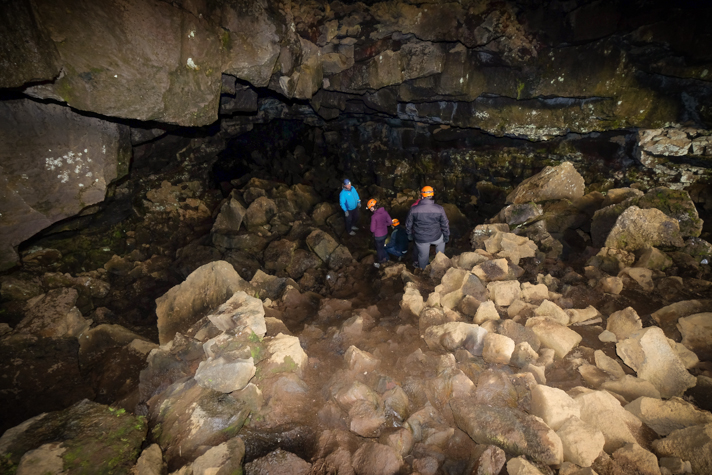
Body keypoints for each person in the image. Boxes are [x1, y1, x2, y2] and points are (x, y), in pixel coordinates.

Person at [406, 185, 450, 269]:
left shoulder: (414, 209)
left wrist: (409, 234)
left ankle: (423, 272)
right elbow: (445, 223)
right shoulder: (439, 208)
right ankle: (440, 265)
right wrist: (446, 235)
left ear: (422, 196)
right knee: (441, 243)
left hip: (421, 238)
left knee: (423, 256)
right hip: (436, 236)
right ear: (432, 195)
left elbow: (409, 223)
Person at [367, 198, 392, 268]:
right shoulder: (385, 212)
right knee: (382, 246)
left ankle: (381, 262)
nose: (370, 210)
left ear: (373, 207)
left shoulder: (374, 216)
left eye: (370, 208)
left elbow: (372, 229)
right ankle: (386, 258)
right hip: (385, 233)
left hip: (378, 236)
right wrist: (384, 225)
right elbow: (390, 222)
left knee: (379, 249)